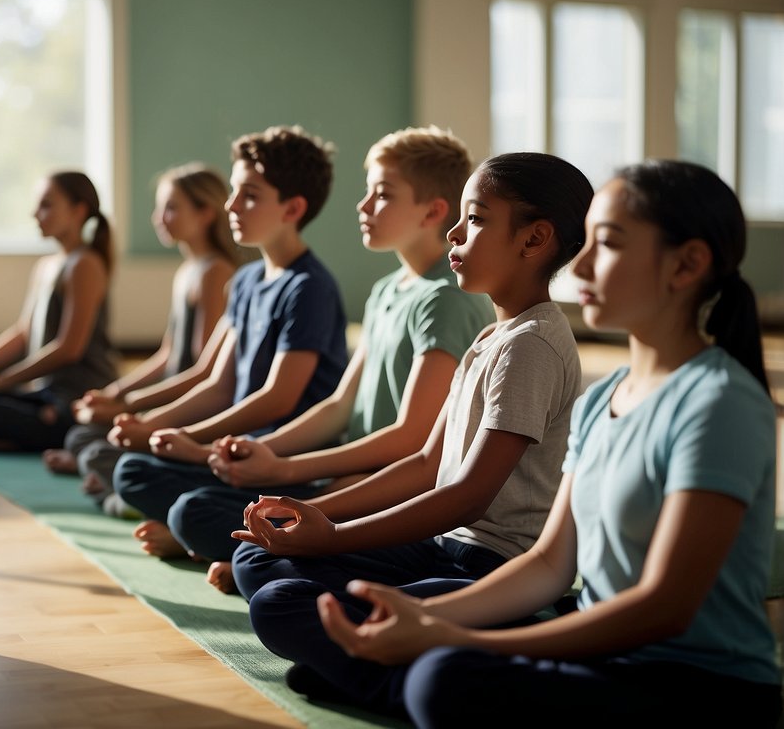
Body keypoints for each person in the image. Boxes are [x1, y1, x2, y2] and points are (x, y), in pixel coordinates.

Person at [306, 160, 781, 728]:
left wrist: (455, 636)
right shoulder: (604, 396)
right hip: (606, 659)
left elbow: (665, 607)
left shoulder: (719, 402)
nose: (579, 265)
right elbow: (551, 562)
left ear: (687, 263)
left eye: (606, 244)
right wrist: (425, 618)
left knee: (440, 679)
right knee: (422, 668)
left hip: (697, 686)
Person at [235, 152, 592, 695]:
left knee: (279, 603)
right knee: (258, 558)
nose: (453, 233)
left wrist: (332, 539)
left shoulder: (533, 345)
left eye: (474, 219)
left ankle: (380, 674)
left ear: (533, 240)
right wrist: (312, 516)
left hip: (487, 569)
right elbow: (428, 464)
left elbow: (469, 498)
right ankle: (369, 659)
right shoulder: (492, 336)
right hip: (440, 546)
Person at [149, 126, 496, 590]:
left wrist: (287, 470)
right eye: (367, 192)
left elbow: (412, 441)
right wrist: (269, 455)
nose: (363, 205)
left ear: (433, 211)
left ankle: (245, 550)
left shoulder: (444, 300)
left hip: (394, 490)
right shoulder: (385, 292)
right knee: (195, 509)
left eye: (382, 194)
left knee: (231, 541)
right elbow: (338, 407)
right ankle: (239, 545)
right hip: (348, 476)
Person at [111, 125, 350, 559]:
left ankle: (201, 538)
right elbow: (217, 383)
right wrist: (155, 428)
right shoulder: (244, 280)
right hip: (231, 458)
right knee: (133, 470)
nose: (231, 205)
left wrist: (193, 444)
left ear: (293, 208)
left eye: (250, 196)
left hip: (281, 465)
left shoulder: (309, 287)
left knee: (190, 513)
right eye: (234, 191)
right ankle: (209, 536)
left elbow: (278, 399)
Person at [41, 164, 239, 509]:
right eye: (160, 207)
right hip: (170, 401)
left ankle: (122, 488)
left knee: (93, 445)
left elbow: (202, 375)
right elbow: (167, 355)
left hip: (193, 410)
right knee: (82, 435)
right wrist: (113, 393)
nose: (160, 217)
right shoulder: (188, 271)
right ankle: (112, 478)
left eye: (171, 208)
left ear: (206, 213)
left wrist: (132, 410)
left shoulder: (215, 273)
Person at [0, 171, 118, 452]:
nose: (36, 214)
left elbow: (69, 349)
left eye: (46, 205)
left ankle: (42, 432)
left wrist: (2, 383)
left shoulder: (85, 264)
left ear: (78, 210)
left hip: (76, 398)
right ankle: (29, 429)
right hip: (45, 393)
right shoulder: (47, 265)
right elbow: (24, 332)